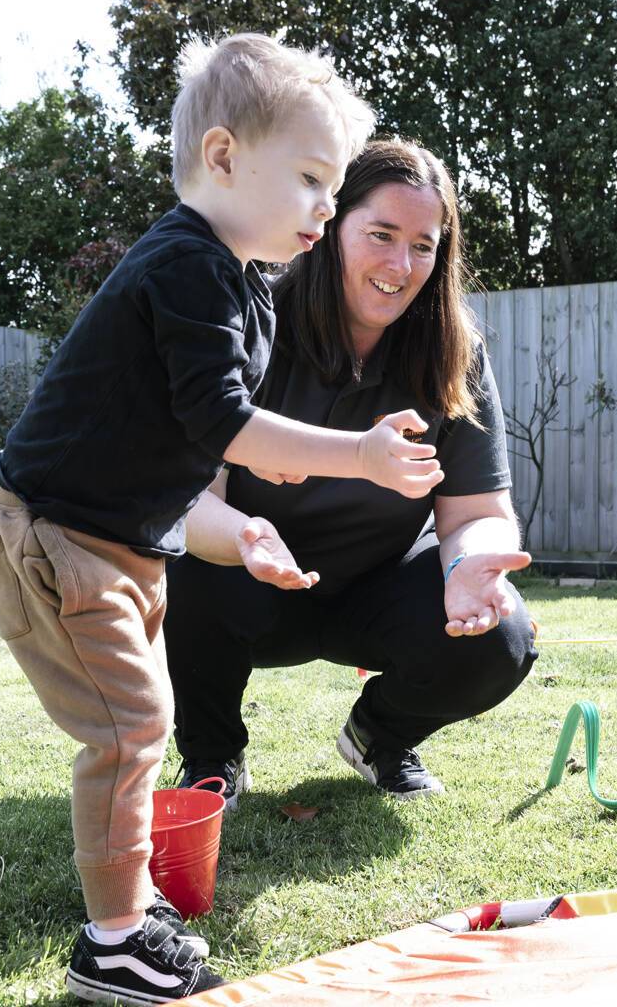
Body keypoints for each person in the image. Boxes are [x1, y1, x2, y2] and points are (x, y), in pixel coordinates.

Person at [0, 36, 444, 1006]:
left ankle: (129, 905)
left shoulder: (244, 286)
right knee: (133, 726)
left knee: (137, 727)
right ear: (224, 158)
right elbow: (227, 424)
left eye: (334, 182)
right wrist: (356, 452)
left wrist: (247, 532)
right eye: (312, 178)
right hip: (55, 535)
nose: (327, 202)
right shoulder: (187, 264)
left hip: (124, 541)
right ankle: (111, 945)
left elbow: (195, 453)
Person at [167, 138, 538, 809]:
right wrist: (246, 538)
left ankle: (380, 737)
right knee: (185, 566)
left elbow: (476, 513)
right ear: (333, 227)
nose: (400, 265)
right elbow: (193, 501)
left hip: (379, 588)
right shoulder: (254, 321)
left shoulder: (455, 352)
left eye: (423, 246)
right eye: (381, 235)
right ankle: (211, 755)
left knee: (504, 634)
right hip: (252, 586)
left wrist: (468, 569)